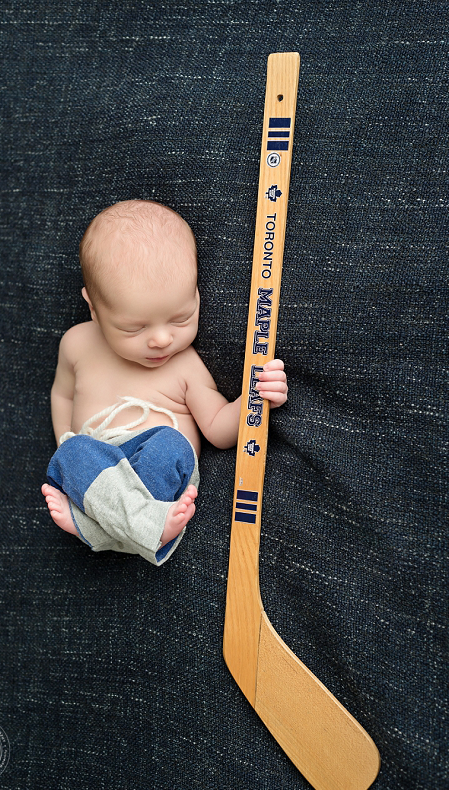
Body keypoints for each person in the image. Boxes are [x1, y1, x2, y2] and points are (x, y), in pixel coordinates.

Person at [41, 199, 287, 565]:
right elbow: (61, 395)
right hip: (101, 468)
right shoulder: (76, 343)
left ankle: (93, 528)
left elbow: (218, 429)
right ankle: (146, 529)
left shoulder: (184, 365)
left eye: (180, 318)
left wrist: (256, 396)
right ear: (93, 307)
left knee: (171, 445)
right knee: (71, 453)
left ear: (196, 296)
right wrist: (65, 438)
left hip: (155, 469)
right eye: (134, 327)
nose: (161, 340)